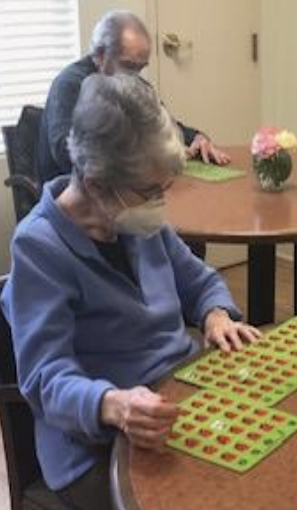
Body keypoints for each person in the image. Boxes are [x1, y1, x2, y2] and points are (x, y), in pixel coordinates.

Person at [1, 73, 259, 510]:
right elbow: (45, 381)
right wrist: (113, 404)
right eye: (150, 191)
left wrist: (215, 313)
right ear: (97, 182)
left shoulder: (135, 218)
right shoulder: (38, 248)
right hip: (95, 446)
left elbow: (199, 281)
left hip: (177, 399)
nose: (159, 203)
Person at [38, 10, 226, 260]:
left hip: (126, 192)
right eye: (128, 66)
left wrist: (194, 137)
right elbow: (65, 151)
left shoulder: (133, 85)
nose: (134, 76)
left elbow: (159, 125)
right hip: (87, 203)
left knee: (186, 242)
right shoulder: (70, 84)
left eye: (140, 68)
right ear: (100, 54)